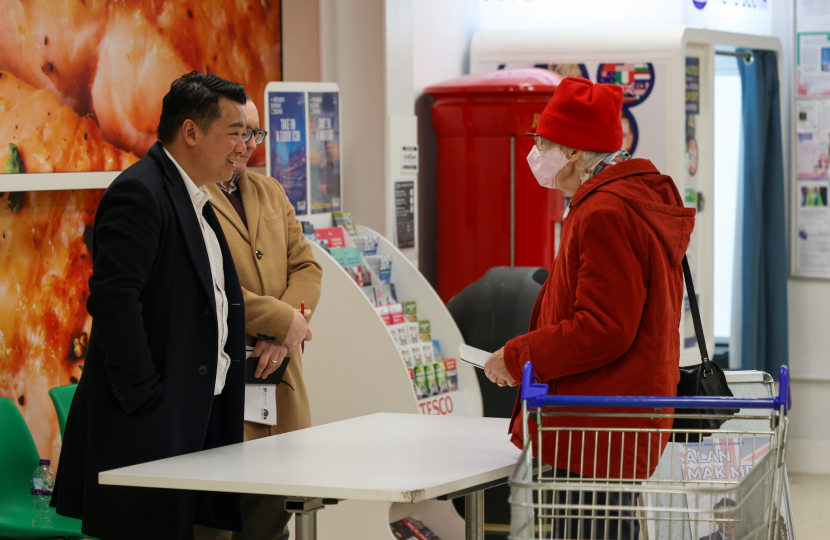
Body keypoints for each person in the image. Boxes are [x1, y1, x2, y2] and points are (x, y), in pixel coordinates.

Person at [484, 77, 696, 539]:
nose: (537, 152)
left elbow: (603, 327)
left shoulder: (605, 213)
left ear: (575, 152)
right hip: (612, 419)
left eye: (544, 142)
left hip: (597, 426)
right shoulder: (625, 200)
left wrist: (517, 356)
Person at [51, 71, 254, 540]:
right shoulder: (140, 192)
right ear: (191, 132)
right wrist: (146, 397)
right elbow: (114, 301)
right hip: (148, 427)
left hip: (189, 420)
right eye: (234, 133)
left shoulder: (195, 197)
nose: (243, 147)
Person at [194, 96, 322, 540]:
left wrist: (283, 334)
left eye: (255, 133)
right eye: (240, 132)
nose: (248, 143)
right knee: (217, 521)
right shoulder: (194, 195)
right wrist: (279, 320)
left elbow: (307, 267)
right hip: (226, 384)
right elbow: (206, 286)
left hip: (279, 382)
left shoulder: (270, 191)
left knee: (274, 517)